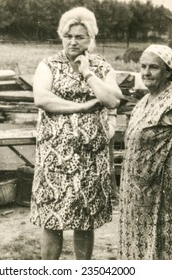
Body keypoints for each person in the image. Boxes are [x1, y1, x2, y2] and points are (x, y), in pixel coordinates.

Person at [30, 7, 123, 260]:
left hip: (90, 158)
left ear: (90, 39)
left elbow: (112, 100)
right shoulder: (49, 65)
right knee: (52, 219)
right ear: (62, 36)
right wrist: (82, 107)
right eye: (68, 36)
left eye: (80, 37)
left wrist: (87, 73)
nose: (73, 41)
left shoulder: (102, 67)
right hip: (54, 157)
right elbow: (42, 98)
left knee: (85, 219)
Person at [118, 44, 172, 260]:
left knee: (166, 247)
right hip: (137, 194)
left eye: (154, 67)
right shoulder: (143, 102)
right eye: (143, 66)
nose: (146, 72)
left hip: (166, 191)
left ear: (168, 72)